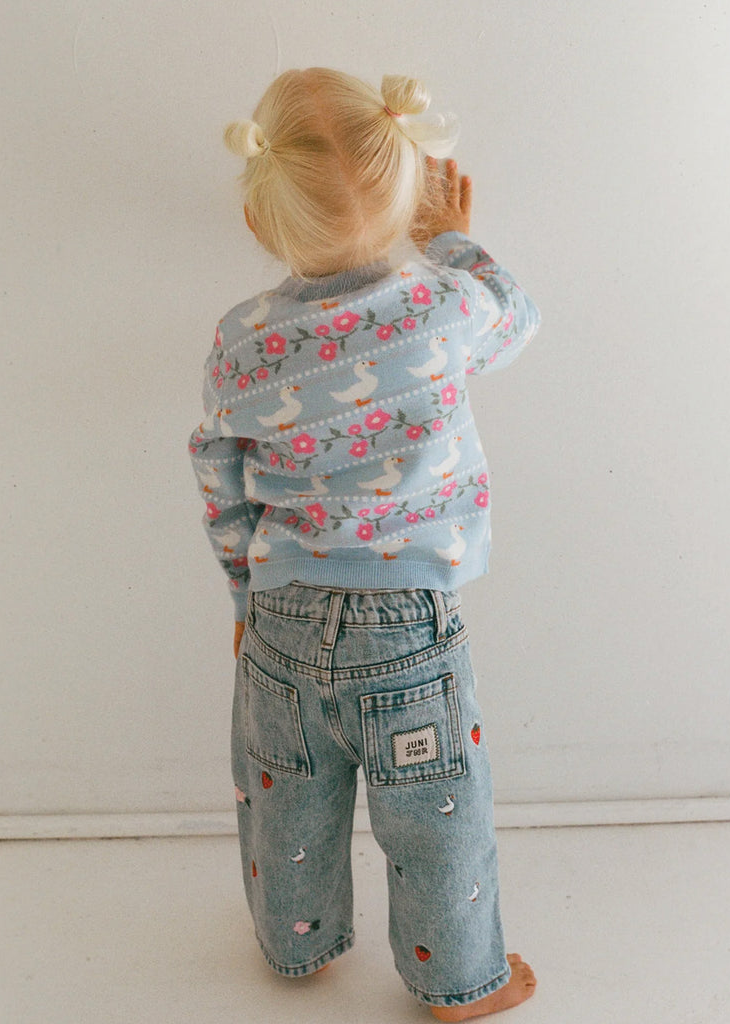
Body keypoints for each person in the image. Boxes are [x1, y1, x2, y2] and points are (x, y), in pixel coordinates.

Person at [188, 67, 540, 1021]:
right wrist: (449, 237)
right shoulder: (445, 307)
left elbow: (218, 477)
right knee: (435, 811)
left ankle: (293, 945)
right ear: (410, 191)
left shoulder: (239, 342)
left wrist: (243, 598)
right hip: (408, 624)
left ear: (259, 221)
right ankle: (457, 980)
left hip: (280, 616)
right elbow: (517, 315)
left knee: (285, 797)